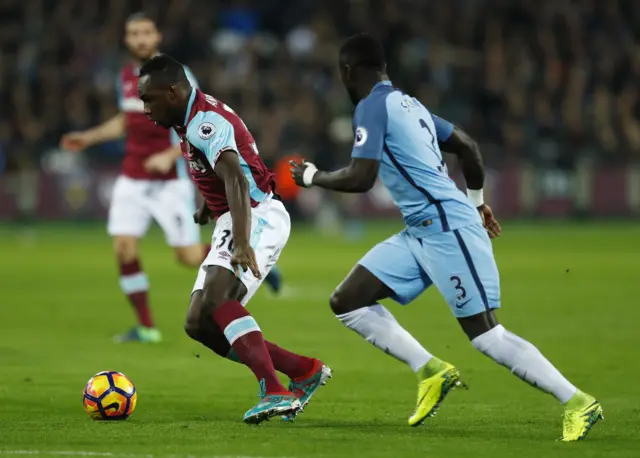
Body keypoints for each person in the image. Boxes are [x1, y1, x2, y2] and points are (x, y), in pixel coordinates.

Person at [290, 34, 602, 441]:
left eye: (342, 75)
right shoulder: (410, 104)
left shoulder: (371, 107)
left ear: (348, 72)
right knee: (347, 301)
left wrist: (312, 177)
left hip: (446, 229)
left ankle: (577, 401)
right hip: (420, 230)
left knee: (488, 336)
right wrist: (477, 202)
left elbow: (361, 177)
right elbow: (467, 147)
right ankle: (431, 370)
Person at [60, 13, 282, 343]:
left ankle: (246, 254)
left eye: (145, 32)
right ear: (126, 40)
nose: (140, 39)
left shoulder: (178, 75)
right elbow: (126, 120)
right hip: (132, 175)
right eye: (133, 33)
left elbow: (201, 127)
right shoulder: (125, 77)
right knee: (123, 248)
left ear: (157, 37)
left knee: (188, 255)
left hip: (169, 180)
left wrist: (168, 154)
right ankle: (147, 327)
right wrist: (88, 138)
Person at [137, 54, 331, 424]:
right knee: (199, 323)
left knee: (217, 299)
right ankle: (303, 370)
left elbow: (237, 179)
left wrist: (241, 242)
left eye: (149, 99)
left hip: (256, 215)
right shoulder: (189, 118)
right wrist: (210, 208)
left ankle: (275, 390)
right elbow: (230, 170)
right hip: (234, 216)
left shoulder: (202, 123)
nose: (145, 108)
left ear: (173, 92)